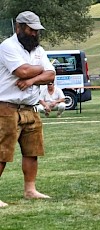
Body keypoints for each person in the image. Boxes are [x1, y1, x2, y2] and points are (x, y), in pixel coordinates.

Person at [0, 11, 55, 208]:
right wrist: (40, 69)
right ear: (19, 27)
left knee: (32, 151)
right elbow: (21, 71)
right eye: (31, 29)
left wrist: (32, 79)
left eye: (36, 30)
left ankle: (30, 190)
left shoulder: (38, 49)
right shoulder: (7, 46)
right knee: (1, 152)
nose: (34, 34)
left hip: (31, 108)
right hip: (6, 108)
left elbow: (51, 75)